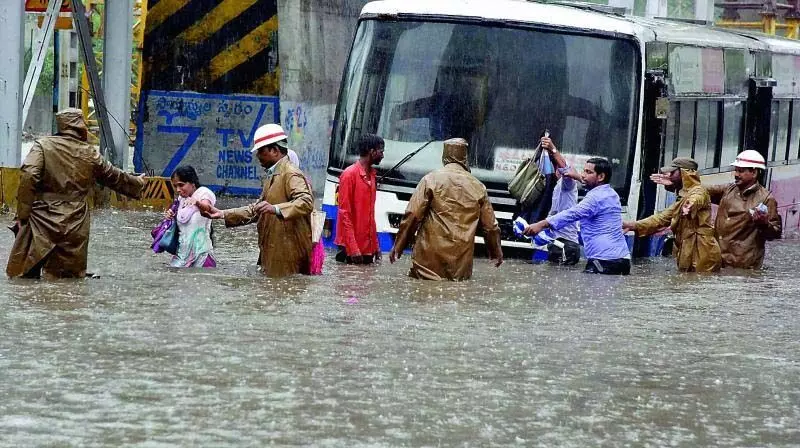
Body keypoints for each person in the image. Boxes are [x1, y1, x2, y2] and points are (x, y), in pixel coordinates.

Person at [6, 108, 145, 279]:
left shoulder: (43, 146)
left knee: (24, 274)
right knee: (67, 279)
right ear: (81, 126)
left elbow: (29, 176)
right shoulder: (90, 152)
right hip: (75, 220)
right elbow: (113, 176)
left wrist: (23, 215)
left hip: (41, 217)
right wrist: (138, 183)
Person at [205, 123, 313, 277]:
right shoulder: (273, 175)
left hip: (287, 256)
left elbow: (306, 201)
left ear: (275, 150)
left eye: (261, 151)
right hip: (272, 251)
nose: (258, 156)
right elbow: (257, 209)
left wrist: (275, 209)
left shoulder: (290, 173)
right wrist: (222, 213)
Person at [389, 138, 503, 281]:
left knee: (423, 296)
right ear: (465, 157)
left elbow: (412, 215)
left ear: (445, 156)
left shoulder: (430, 180)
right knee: (455, 295)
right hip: (460, 262)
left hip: (427, 259)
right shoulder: (478, 186)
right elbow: (490, 227)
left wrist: (398, 246)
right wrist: (495, 253)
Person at [523, 157, 631, 275]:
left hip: (604, 260)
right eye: (583, 171)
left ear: (601, 177)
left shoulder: (594, 198)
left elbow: (572, 214)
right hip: (623, 259)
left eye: (588, 172)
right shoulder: (612, 194)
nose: (583, 175)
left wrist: (541, 224)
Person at [623, 157, 721, 272]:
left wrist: (690, 205)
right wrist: (633, 225)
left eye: (673, 172)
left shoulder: (698, 191)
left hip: (702, 252)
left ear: (685, 173)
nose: (669, 175)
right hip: (690, 250)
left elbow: (697, 198)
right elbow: (662, 218)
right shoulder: (684, 195)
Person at [705, 151, 781, 269]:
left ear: (754, 173)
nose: (736, 174)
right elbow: (702, 191)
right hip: (718, 260)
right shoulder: (728, 189)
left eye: (740, 171)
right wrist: (680, 183)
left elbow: (775, 233)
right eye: (736, 170)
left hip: (743, 266)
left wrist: (764, 224)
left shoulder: (766, 198)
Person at [334, 133, 384, 264]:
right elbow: (344, 214)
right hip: (350, 249)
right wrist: (353, 249)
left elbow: (370, 216)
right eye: (381, 151)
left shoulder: (372, 176)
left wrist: (376, 247)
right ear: (372, 152)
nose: (382, 156)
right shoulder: (349, 175)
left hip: (367, 248)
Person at [164, 165, 217, 268]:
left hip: (202, 256)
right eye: (175, 186)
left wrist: (197, 203)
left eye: (181, 185)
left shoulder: (204, 193)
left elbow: (208, 209)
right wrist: (170, 216)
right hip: (181, 256)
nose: (178, 189)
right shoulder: (181, 199)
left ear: (192, 183)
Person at [540, 136, 581, 265]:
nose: (557, 168)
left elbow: (565, 169)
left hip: (566, 244)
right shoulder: (556, 187)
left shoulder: (568, 185)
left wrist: (552, 148)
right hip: (557, 243)